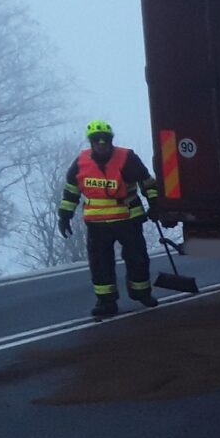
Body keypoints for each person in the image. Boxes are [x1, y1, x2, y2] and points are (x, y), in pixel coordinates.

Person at [58, 120, 162, 318]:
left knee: (137, 259)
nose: (101, 143)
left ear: (111, 140)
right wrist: (64, 216)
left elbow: (147, 183)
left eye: (105, 139)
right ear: (91, 142)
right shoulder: (80, 162)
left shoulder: (127, 158)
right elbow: (71, 192)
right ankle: (106, 302)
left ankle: (141, 293)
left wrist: (155, 205)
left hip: (128, 219)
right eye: (97, 140)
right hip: (97, 225)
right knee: (100, 264)